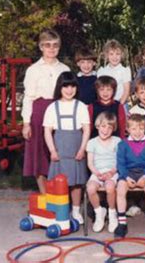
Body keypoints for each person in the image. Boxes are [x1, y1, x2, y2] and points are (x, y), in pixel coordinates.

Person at [22, 29, 70, 194]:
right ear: (41, 47)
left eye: (55, 45)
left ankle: (60, 192)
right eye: (47, 45)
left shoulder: (64, 68)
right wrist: (26, 123)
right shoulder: (33, 70)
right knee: (39, 154)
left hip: (60, 110)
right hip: (39, 112)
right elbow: (28, 97)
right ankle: (45, 194)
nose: (51, 49)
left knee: (60, 151)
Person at [43, 71, 90, 224]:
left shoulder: (81, 106)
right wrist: (52, 151)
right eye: (65, 87)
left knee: (76, 182)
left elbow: (86, 130)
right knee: (59, 181)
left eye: (72, 86)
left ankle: (76, 211)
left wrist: (82, 149)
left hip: (76, 148)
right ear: (59, 88)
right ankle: (60, 209)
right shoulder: (52, 107)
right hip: (59, 150)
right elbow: (47, 131)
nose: (69, 90)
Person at [114, 114, 145, 239]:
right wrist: (126, 177)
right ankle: (122, 223)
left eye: (141, 128)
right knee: (121, 188)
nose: (137, 132)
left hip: (144, 172)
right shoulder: (122, 144)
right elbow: (120, 164)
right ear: (127, 129)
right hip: (128, 172)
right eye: (134, 129)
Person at [86, 112, 121, 233]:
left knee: (110, 187)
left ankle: (112, 213)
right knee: (90, 188)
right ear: (97, 126)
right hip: (97, 172)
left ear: (113, 129)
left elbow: (119, 161)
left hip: (112, 172)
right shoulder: (92, 142)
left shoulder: (117, 141)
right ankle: (99, 212)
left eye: (109, 127)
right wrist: (97, 173)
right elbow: (90, 163)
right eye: (103, 126)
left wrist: (111, 172)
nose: (105, 130)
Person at [97, 39, 132, 108]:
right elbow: (99, 90)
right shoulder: (101, 71)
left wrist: (119, 106)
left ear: (121, 55)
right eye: (111, 54)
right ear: (106, 55)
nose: (114, 57)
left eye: (117, 54)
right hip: (105, 104)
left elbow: (126, 91)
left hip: (121, 103)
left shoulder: (125, 70)